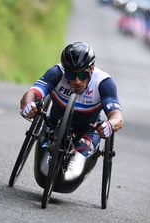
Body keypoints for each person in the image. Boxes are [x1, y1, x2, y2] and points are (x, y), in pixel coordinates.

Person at [19, 42, 123, 192]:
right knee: (45, 153)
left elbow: (117, 117)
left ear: (91, 70)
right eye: (71, 75)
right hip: (54, 124)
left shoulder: (104, 83)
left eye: (82, 75)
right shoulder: (56, 73)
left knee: (68, 177)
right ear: (64, 71)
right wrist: (28, 104)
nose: (77, 81)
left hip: (87, 131)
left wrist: (109, 125)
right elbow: (32, 92)